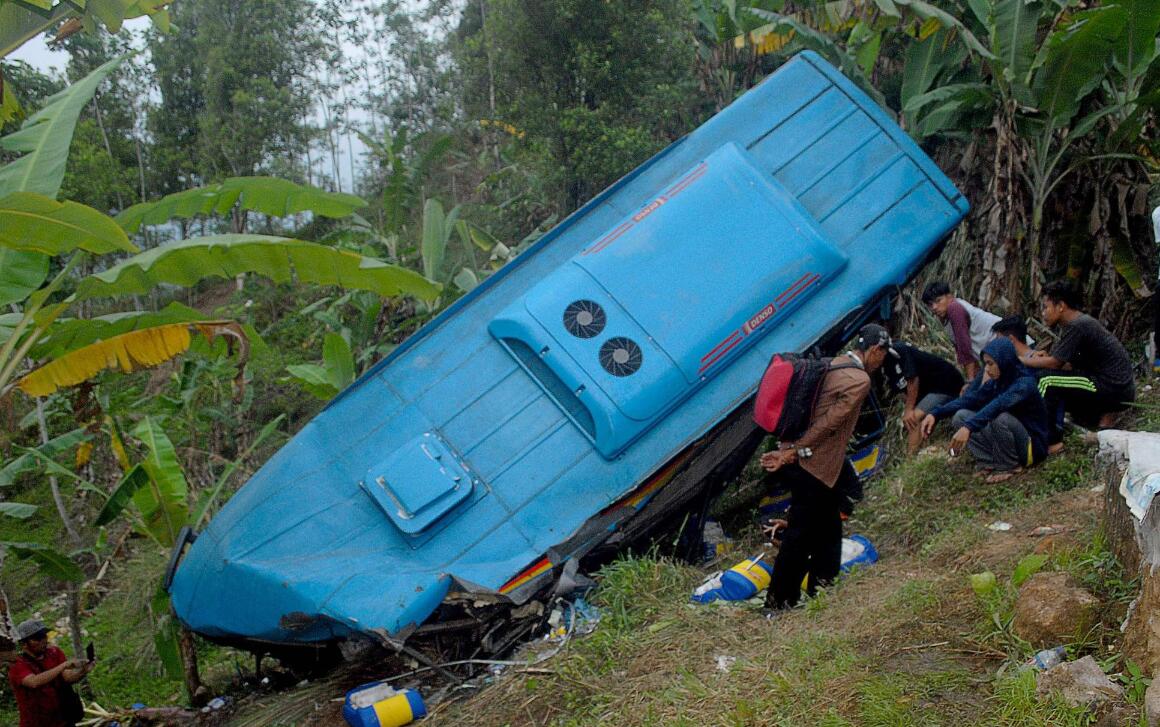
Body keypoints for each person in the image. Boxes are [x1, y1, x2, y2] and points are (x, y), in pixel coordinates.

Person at [760, 323, 886, 614]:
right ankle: (777, 604)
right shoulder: (859, 380)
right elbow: (829, 422)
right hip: (813, 465)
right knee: (799, 537)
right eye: (882, 355)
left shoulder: (833, 364)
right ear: (875, 350)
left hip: (817, 465)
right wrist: (795, 451)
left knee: (829, 530)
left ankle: (824, 589)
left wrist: (790, 448)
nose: (882, 361)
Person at [1023, 279, 1135, 450]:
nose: (1043, 313)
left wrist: (1021, 359)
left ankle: (1050, 441)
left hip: (1110, 387)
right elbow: (1065, 364)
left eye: (1046, 307)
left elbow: (1055, 364)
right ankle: (1091, 419)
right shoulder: (1077, 324)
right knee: (1054, 379)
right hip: (1113, 387)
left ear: (1060, 306)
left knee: (1045, 381)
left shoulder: (1077, 326)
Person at [920, 338, 1049, 483]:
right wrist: (935, 413)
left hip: (1032, 447)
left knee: (999, 417)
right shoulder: (996, 383)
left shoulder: (1024, 383)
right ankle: (988, 462)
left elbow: (998, 405)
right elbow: (969, 400)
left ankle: (1008, 466)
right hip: (1011, 440)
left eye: (990, 364)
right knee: (961, 416)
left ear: (1004, 361)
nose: (987, 369)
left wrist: (968, 428)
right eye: (986, 364)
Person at [883, 341, 965, 455]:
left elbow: (913, 379)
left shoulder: (899, 351)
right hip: (928, 392)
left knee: (913, 419)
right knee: (913, 417)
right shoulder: (885, 367)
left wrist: (909, 410)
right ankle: (920, 450)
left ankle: (909, 461)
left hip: (945, 385)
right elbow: (901, 391)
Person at [8, 619, 93, 727]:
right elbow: (33, 682)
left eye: (44, 635)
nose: (44, 640)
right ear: (24, 644)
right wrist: (63, 666)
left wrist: (83, 671)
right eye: (38, 638)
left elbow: (67, 677)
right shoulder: (17, 664)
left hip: (63, 719)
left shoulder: (54, 653)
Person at [922, 281, 1002, 381]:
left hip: (1010, 345)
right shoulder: (944, 316)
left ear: (950, 297)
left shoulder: (954, 308)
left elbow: (964, 346)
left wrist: (970, 380)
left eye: (938, 300)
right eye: (930, 304)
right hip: (995, 356)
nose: (934, 307)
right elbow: (961, 347)